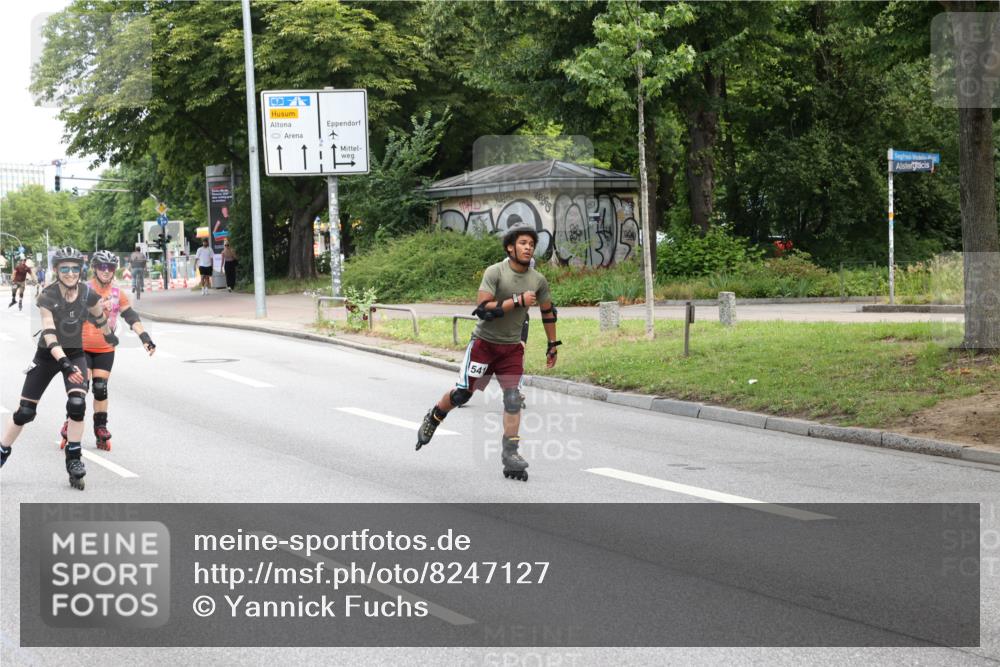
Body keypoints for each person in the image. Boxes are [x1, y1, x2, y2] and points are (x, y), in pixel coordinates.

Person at [414, 226, 561, 482]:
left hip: (511, 349)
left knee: (513, 399)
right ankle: (435, 415)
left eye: (531, 244)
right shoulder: (495, 272)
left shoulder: (538, 280)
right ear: (510, 247)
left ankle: (510, 455)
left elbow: (548, 312)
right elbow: (482, 309)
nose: (528, 248)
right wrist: (516, 301)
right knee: (462, 394)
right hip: (484, 345)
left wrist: (552, 344)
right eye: (523, 243)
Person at [0, 247, 118, 489]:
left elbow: (99, 317)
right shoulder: (48, 295)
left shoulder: (88, 294)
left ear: (80, 270)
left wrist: (108, 335)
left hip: (75, 355)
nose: (70, 273)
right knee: (25, 412)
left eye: (75, 268)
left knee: (77, 405)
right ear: (56, 270)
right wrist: (62, 362)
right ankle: (2, 451)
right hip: (47, 356)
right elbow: (49, 331)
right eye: (65, 268)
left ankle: (74, 460)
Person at [58, 250, 156, 451]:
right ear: (94, 268)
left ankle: (100, 428)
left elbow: (131, 316)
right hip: (80, 348)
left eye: (110, 267)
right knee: (80, 392)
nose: (106, 271)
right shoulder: (82, 289)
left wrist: (145, 338)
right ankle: (70, 422)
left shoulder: (117, 293)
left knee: (100, 389)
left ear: (114, 270)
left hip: (105, 348)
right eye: (102, 267)